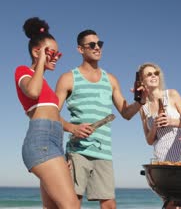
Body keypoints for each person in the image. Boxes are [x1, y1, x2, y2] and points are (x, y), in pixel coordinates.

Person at [55, 29, 146, 209]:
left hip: (103, 153)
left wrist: (140, 101)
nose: (97, 48)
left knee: (109, 204)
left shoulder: (110, 80)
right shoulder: (68, 78)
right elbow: (51, 113)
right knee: (73, 202)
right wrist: (72, 128)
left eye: (99, 44)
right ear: (80, 49)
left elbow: (126, 113)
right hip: (77, 151)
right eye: (92, 45)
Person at [14, 17, 78, 208]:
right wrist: (41, 61)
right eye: (52, 53)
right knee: (71, 205)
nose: (56, 57)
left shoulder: (45, 86)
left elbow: (55, 116)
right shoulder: (23, 71)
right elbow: (32, 91)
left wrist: (74, 128)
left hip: (54, 143)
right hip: (41, 141)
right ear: (36, 52)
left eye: (59, 54)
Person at [138, 63, 181, 209]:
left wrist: (171, 121)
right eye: (148, 74)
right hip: (162, 159)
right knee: (170, 201)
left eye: (155, 73)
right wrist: (155, 126)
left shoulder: (172, 94)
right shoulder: (142, 107)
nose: (153, 76)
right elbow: (149, 140)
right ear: (141, 80)